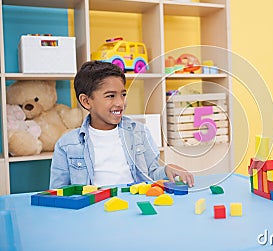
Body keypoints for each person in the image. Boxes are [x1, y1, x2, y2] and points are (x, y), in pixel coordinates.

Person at [50, 61, 194, 189]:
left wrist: (166, 170)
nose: (120, 102)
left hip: (134, 206)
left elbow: (151, 174)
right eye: (110, 96)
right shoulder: (66, 145)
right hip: (93, 212)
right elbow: (58, 192)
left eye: (123, 94)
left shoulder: (139, 132)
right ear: (86, 101)